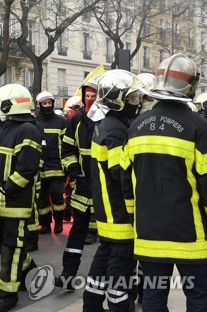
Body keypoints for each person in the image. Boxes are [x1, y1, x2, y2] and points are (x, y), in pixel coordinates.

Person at [121, 54, 207, 312]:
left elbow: (126, 181)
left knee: (153, 297)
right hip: (190, 234)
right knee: (199, 297)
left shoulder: (135, 126)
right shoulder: (198, 127)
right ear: (190, 85)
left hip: (148, 232)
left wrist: (135, 214)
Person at [82, 70, 141, 312]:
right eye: (133, 98)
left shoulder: (104, 124)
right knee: (121, 268)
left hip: (106, 211)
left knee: (103, 258)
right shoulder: (116, 130)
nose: (136, 104)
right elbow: (122, 177)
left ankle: (92, 305)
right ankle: (119, 307)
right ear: (118, 99)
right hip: (119, 214)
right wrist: (133, 212)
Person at [0, 84, 43, 312]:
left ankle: (7, 294)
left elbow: (27, 169)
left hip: (14, 203)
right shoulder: (5, 129)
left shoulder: (28, 130)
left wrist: (6, 189)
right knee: (6, 242)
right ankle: (32, 272)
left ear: (10, 105)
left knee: (11, 246)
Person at [56, 77, 98, 290]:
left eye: (94, 96)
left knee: (112, 239)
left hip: (104, 187)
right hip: (82, 185)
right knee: (76, 233)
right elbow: (67, 148)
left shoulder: (108, 119)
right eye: (87, 96)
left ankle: (111, 280)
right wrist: (73, 169)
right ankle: (68, 275)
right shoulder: (77, 119)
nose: (89, 100)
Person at [35, 91, 67, 235]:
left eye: (49, 103)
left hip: (57, 167)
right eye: (44, 103)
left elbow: (66, 145)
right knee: (41, 200)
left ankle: (59, 222)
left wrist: (66, 164)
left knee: (57, 196)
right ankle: (45, 224)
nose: (47, 106)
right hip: (39, 167)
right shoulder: (35, 122)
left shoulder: (61, 122)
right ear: (39, 105)